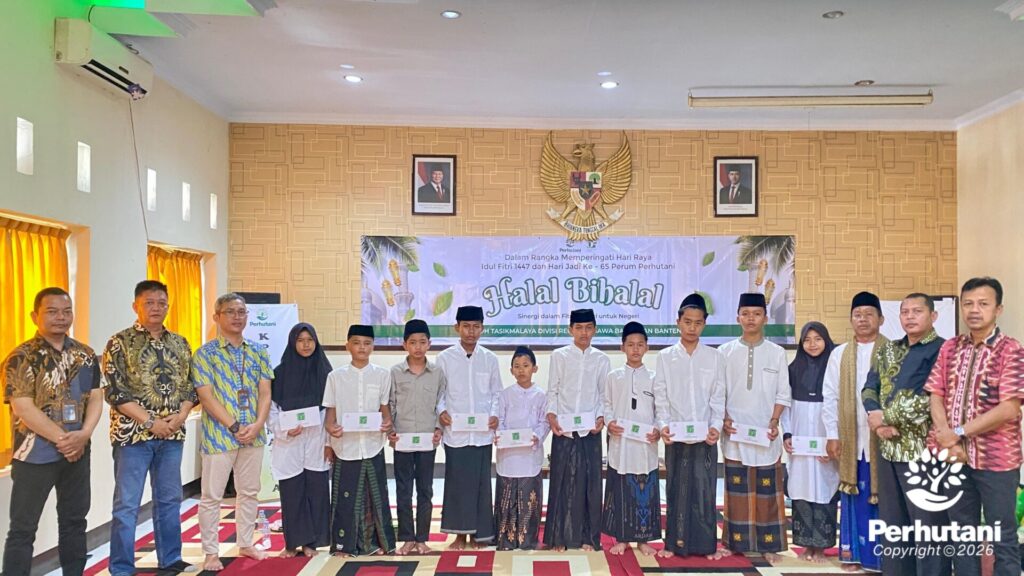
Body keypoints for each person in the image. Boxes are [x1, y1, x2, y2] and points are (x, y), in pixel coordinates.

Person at [1, 287, 102, 576]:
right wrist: (64, 440)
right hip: (34, 456)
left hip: (78, 454)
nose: (61, 317)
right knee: (23, 529)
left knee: (74, 522)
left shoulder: (85, 354)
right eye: (52, 311)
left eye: (66, 311)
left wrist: (84, 434)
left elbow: (96, 397)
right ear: (35, 316)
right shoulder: (21, 357)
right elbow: (23, 407)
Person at [928, 278, 1024, 576]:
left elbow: (1009, 408)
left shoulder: (1011, 350)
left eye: (983, 304)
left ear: (998, 309)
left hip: (997, 459)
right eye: (968, 303)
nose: (974, 310)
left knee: (1002, 534)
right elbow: (936, 393)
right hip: (954, 457)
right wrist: (949, 441)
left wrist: (958, 433)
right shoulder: (950, 347)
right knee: (961, 533)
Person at [102, 280, 197, 576]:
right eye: (149, 303)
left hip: (172, 435)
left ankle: (170, 559)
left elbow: (191, 387)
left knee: (170, 499)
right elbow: (115, 392)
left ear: (168, 306)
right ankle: (121, 568)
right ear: (136, 306)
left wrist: (181, 415)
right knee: (127, 505)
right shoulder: (119, 342)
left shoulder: (180, 343)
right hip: (132, 437)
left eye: (161, 303)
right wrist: (150, 422)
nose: (156, 308)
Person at [861, 293, 950, 575]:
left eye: (917, 311)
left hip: (923, 451)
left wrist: (886, 417)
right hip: (888, 447)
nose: (910, 317)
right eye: (905, 312)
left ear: (933, 316)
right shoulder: (888, 349)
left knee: (928, 526)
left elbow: (932, 399)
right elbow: (869, 388)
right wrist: (878, 423)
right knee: (894, 525)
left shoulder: (943, 350)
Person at [191, 293, 273, 572]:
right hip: (219, 436)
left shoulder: (258, 351)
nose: (237, 317)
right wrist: (235, 426)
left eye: (241, 312)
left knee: (249, 492)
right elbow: (206, 396)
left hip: (253, 433)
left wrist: (258, 425)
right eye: (230, 312)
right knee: (211, 496)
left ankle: (246, 542)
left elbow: (265, 392)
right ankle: (211, 552)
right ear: (217, 317)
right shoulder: (205, 354)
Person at [717, 293, 791, 565]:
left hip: (765, 433)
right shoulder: (724, 352)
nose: (751, 319)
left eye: (756, 314)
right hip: (735, 433)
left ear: (765, 318)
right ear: (737, 317)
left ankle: (769, 545)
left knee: (767, 492)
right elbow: (719, 392)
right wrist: (724, 418)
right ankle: (734, 543)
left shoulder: (777, 353)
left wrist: (774, 421)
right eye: (745, 313)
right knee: (736, 491)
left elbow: (783, 393)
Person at [653, 293, 725, 560]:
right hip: (677, 436)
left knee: (704, 489)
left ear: (704, 324)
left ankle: (706, 546)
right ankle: (674, 543)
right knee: (677, 488)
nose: (692, 327)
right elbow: (660, 395)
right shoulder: (665, 357)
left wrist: (716, 426)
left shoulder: (714, 357)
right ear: (678, 322)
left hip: (706, 436)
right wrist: (663, 425)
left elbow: (718, 395)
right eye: (687, 322)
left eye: (697, 322)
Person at [822, 291, 885, 573]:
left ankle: (881, 558)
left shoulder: (892, 352)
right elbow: (830, 396)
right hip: (850, 437)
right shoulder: (840, 354)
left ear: (881, 319)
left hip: (882, 439)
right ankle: (853, 555)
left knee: (883, 497)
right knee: (853, 494)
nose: (863, 319)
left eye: (869, 314)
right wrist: (832, 434)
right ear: (851, 319)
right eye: (857, 314)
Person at [323, 324, 395, 556]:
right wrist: (330, 430)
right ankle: (343, 546)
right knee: (346, 497)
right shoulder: (335, 377)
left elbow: (385, 410)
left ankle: (375, 544)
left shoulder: (382, 375)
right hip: (345, 445)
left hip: (373, 444)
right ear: (347, 346)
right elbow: (330, 414)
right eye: (356, 343)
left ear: (373, 346)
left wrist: (388, 423)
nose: (362, 347)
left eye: (367, 343)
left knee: (375, 496)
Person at [436, 305, 502, 549]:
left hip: (482, 433)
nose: (471, 331)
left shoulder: (490, 359)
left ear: (482, 328)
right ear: (457, 327)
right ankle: (459, 535)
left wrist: (494, 415)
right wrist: (441, 412)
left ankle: (479, 535)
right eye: (466, 326)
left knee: (481, 484)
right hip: (456, 432)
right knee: (457, 483)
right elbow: (439, 393)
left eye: (476, 327)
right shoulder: (444, 358)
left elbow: (496, 393)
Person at [544, 308, 610, 552]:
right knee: (561, 482)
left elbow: (603, 395)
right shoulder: (559, 356)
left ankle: (588, 538)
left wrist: (601, 417)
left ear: (595, 330)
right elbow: (553, 390)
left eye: (589, 328)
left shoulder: (601, 359)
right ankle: (558, 537)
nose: (584, 332)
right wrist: (552, 416)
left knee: (590, 484)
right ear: (570, 329)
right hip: (564, 429)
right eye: (579, 328)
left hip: (590, 431)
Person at [268, 323, 332, 558]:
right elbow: (270, 409)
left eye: (310, 340)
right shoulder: (279, 374)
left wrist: (329, 443)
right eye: (300, 340)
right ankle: (292, 543)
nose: (306, 345)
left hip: (317, 441)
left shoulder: (326, 373)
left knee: (316, 492)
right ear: (292, 343)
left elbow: (332, 411)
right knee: (292, 493)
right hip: (289, 443)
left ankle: (312, 543)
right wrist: (284, 430)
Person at [780, 321, 838, 564]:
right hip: (801, 438)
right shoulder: (793, 370)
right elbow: (786, 406)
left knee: (824, 488)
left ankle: (821, 547)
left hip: (826, 439)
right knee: (801, 487)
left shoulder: (835, 369)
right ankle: (806, 544)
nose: (812, 344)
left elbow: (838, 407)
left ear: (826, 341)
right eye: (807, 340)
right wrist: (787, 434)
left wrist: (834, 439)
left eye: (818, 339)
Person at [603, 322, 662, 556]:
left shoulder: (655, 378)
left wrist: (658, 429)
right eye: (630, 345)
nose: (635, 349)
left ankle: (644, 540)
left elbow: (661, 409)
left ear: (647, 347)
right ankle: (622, 538)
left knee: (645, 490)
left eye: (640, 345)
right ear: (622, 348)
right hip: (622, 443)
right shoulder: (613, 377)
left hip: (646, 444)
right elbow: (606, 405)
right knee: (621, 489)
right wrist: (609, 422)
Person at [388, 319, 446, 555]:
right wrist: (390, 431)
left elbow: (441, 403)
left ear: (429, 344)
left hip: (426, 441)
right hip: (402, 440)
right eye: (413, 342)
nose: (418, 347)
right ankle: (407, 538)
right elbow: (390, 404)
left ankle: (422, 538)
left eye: (422, 342)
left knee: (425, 490)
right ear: (405, 345)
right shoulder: (395, 372)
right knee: (403, 489)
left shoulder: (437, 373)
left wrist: (438, 429)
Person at [493, 346, 549, 550]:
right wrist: (501, 435)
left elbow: (545, 422)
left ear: (535, 368)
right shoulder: (505, 395)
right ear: (511, 370)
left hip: (530, 454)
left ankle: (528, 540)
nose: (521, 370)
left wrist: (537, 436)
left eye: (526, 365)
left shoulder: (542, 395)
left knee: (528, 497)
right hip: (508, 454)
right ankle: (505, 539)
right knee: (507, 497)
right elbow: (498, 420)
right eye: (516, 366)